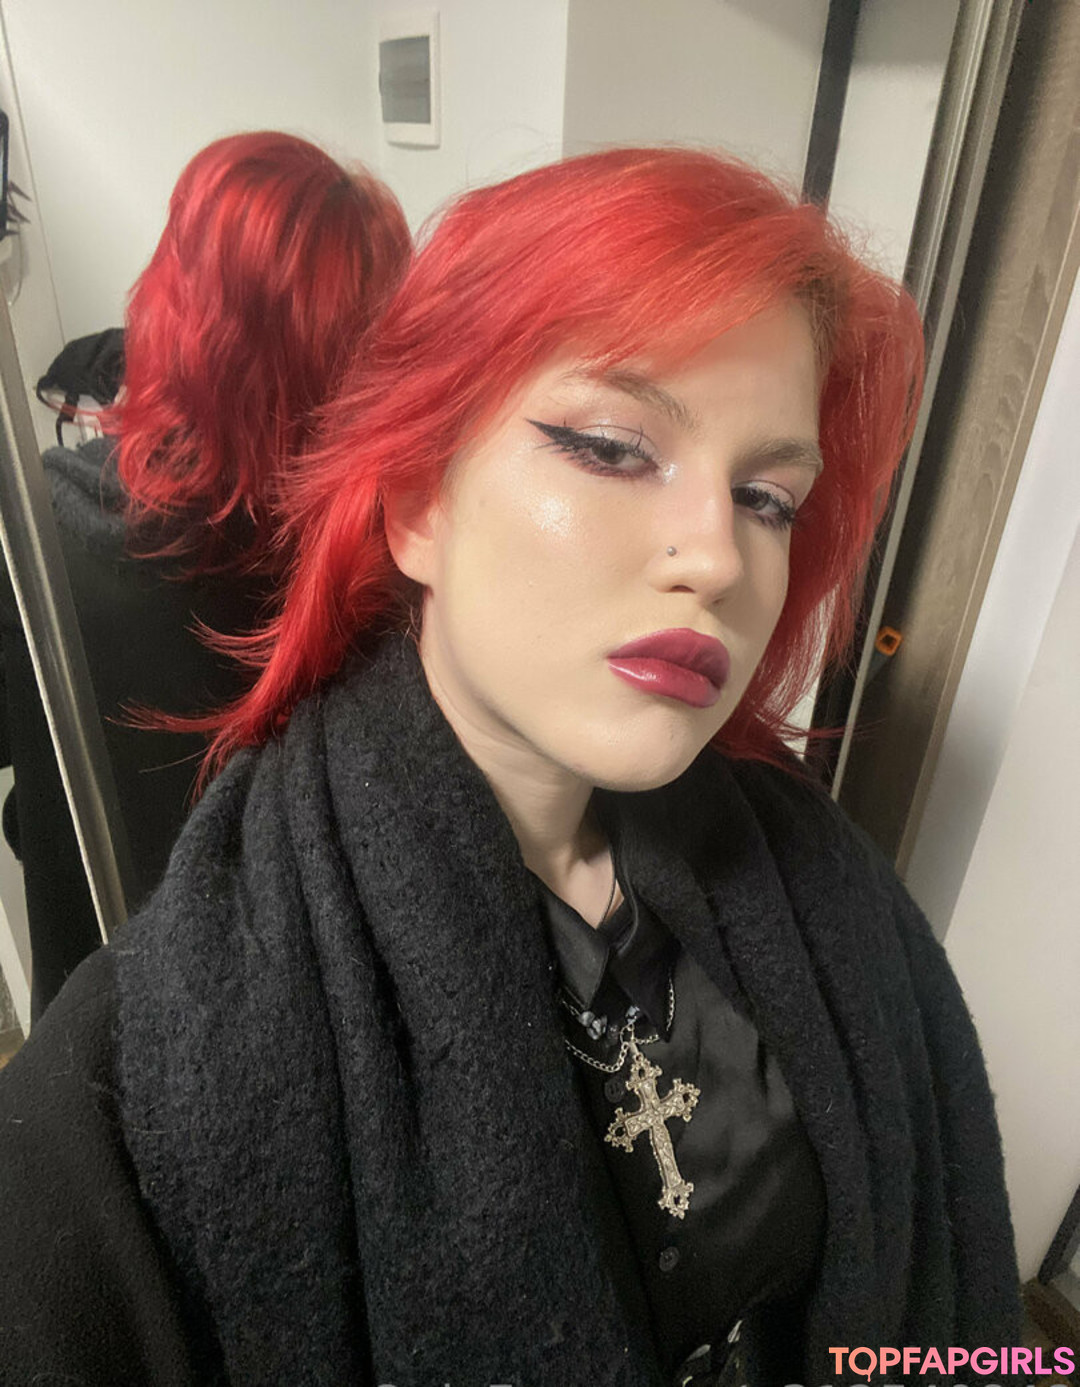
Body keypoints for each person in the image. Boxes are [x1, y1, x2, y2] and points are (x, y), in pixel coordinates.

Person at [0, 147, 1020, 1387]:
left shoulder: (825, 893)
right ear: (415, 500)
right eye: (613, 447)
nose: (718, 557)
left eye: (767, 497)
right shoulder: (138, 1089)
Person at [0, 131, 410, 1021]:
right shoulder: (399, 556)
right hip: (315, 1008)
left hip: (111, 1015)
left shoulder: (44, 535)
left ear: (172, 309)